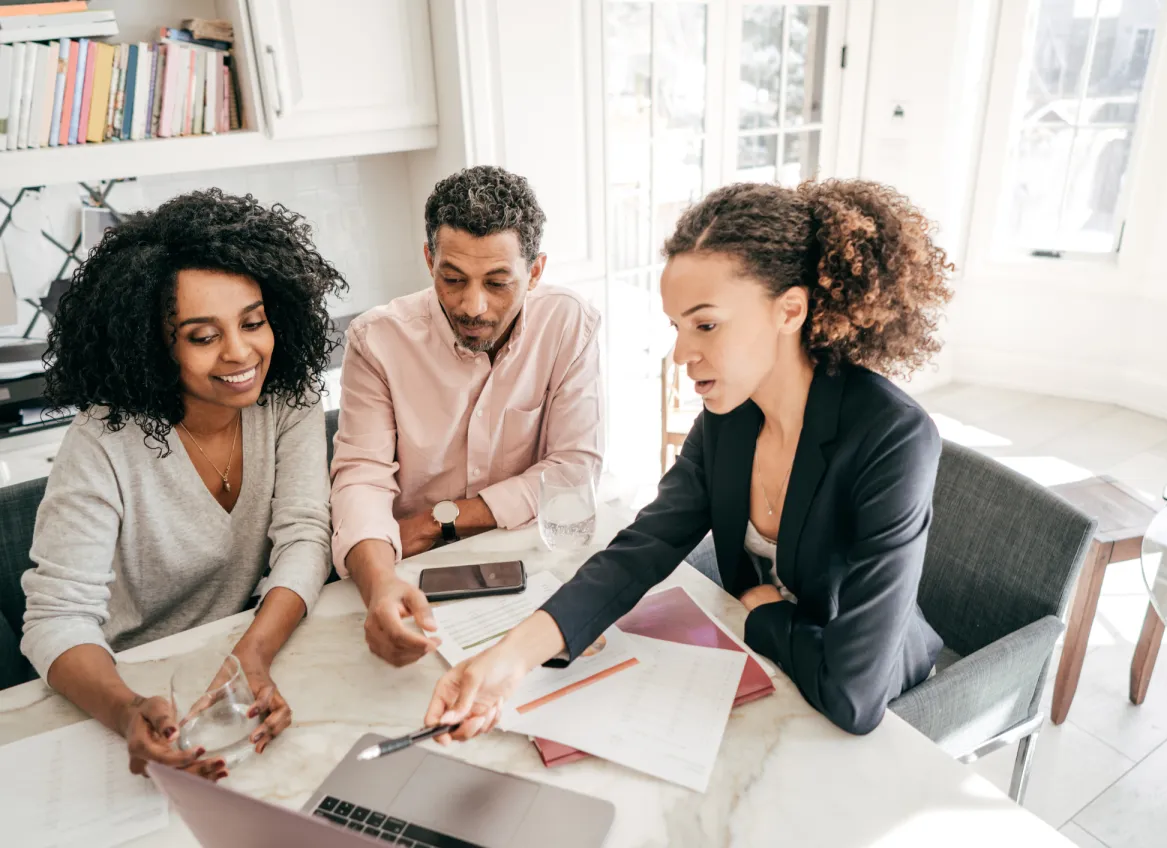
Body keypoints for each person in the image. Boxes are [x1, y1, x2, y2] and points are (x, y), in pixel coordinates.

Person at [423, 179, 954, 739]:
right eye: (677, 327)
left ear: (790, 310)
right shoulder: (731, 417)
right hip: (776, 674)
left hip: (882, 712)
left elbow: (854, 696)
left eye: (706, 324)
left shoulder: (892, 438)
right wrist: (508, 660)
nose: (681, 354)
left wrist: (763, 613)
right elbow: (644, 545)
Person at [21, 189, 346, 780]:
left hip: (254, 649)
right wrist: (127, 712)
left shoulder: (288, 399)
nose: (241, 352)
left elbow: (305, 535)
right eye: (203, 336)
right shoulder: (101, 441)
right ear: (154, 345)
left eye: (253, 322)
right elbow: (55, 619)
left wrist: (254, 652)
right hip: (134, 684)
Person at [330, 165, 603, 669]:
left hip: (528, 560)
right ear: (429, 258)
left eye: (498, 283)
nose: (473, 306)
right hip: (413, 572)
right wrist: (380, 588)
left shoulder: (569, 323)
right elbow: (360, 479)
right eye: (452, 279)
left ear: (536, 272)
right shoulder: (376, 341)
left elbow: (573, 471)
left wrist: (441, 521)